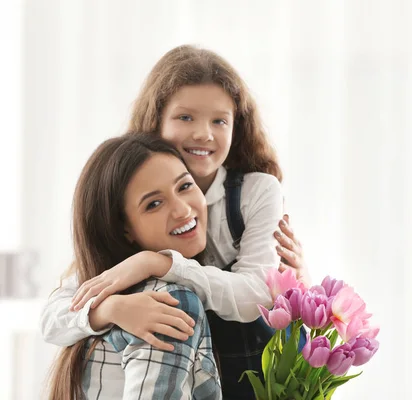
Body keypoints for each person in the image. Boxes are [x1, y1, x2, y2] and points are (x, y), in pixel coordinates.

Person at [41, 45, 307, 399]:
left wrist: (157, 262)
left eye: (219, 121)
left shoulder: (254, 192)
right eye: (185, 118)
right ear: (156, 122)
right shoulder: (126, 188)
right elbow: (56, 313)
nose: (203, 134)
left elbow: (254, 295)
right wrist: (111, 307)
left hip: (254, 372)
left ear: (236, 126)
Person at [46, 134, 221, 399]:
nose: (182, 210)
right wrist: (109, 308)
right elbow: (51, 318)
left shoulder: (119, 285)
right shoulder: (168, 302)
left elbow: (247, 290)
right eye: (154, 204)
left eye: (185, 186)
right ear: (124, 229)